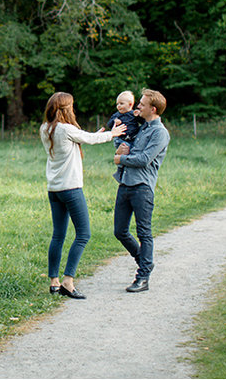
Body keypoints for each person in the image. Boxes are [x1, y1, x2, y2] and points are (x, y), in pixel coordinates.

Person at [40, 91, 116, 299]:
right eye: (71, 106)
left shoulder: (45, 128)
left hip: (54, 189)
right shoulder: (66, 129)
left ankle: (54, 282)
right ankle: (68, 281)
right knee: (83, 234)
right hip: (71, 189)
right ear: (66, 109)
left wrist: (98, 133)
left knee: (58, 235)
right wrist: (113, 134)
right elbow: (89, 139)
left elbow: (84, 138)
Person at [113, 88, 170, 292]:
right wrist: (121, 150)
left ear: (152, 109)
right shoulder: (141, 128)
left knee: (144, 232)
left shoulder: (159, 132)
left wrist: (122, 159)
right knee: (120, 231)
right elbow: (127, 146)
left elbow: (145, 160)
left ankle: (143, 277)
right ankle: (145, 262)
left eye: (142, 104)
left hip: (142, 188)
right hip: (125, 184)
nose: (138, 106)